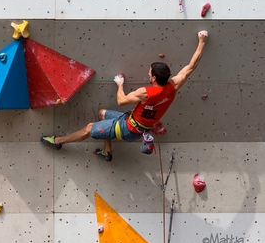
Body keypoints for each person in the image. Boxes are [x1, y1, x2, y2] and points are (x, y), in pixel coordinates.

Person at [40, 30, 209, 161]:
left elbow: (121, 101)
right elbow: (191, 67)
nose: (148, 74)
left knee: (91, 128)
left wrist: (120, 84)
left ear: (154, 78)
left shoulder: (146, 92)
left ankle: (58, 142)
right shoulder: (173, 86)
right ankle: (107, 151)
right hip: (132, 123)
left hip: (128, 128)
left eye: (150, 72)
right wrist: (201, 42)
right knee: (101, 114)